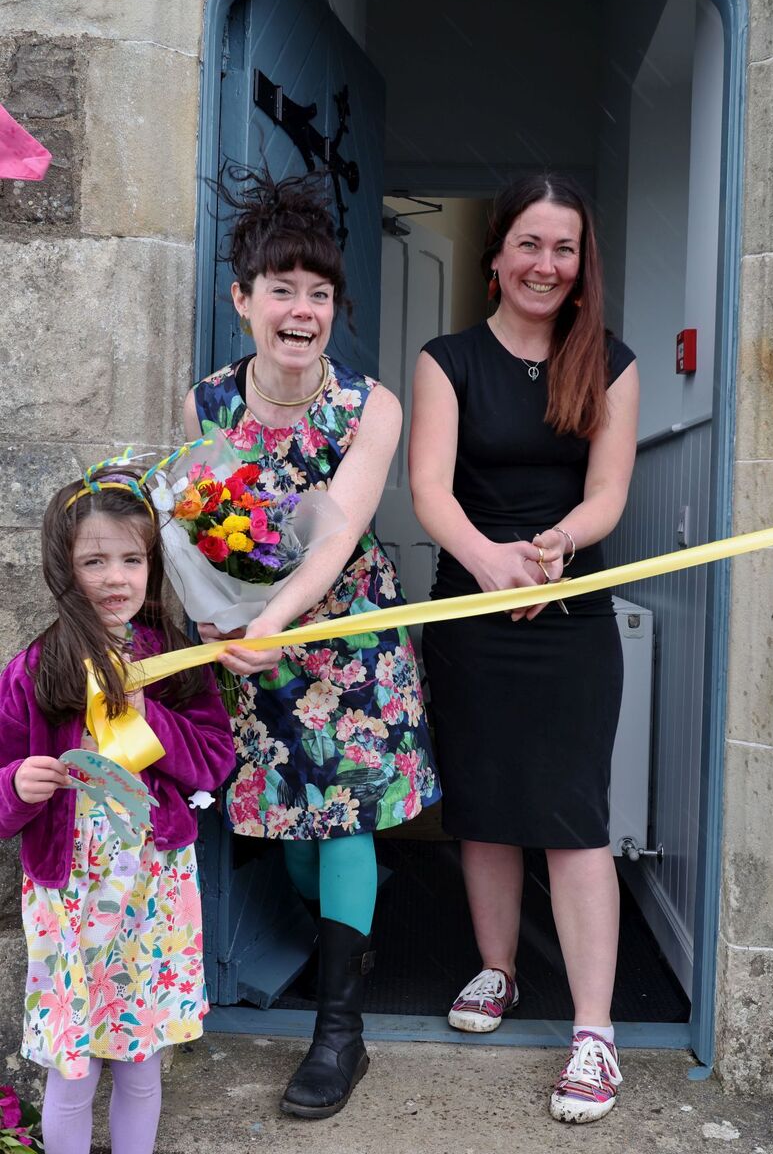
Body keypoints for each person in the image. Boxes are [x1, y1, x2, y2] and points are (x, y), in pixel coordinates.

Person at [184, 170, 440, 1120]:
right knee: (286, 834)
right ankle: (345, 938)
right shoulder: (208, 405)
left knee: (344, 822)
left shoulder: (368, 407)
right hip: (254, 644)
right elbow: (201, 531)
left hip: (346, 643)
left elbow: (336, 537)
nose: (303, 310)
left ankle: (341, 1031)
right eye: (282, 290)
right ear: (243, 301)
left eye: (320, 294)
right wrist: (215, 619)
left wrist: (272, 622)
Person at [409, 173, 639, 1124]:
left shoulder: (611, 362)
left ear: (582, 266)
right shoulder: (444, 358)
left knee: (573, 815)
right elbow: (430, 490)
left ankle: (594, 1033)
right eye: (530, 245)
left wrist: (557, 548)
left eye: (565, 248)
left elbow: (608, 491)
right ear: (495, 256)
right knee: (487, 803)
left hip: (572, 611)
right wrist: (487, 563)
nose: (546, 265)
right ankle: (496, 971)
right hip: (472, 610)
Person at [0, 466, 236, 1154]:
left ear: (152, 566)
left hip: (152, 891)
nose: (115, 577)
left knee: (139, 1061)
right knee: (71, 1071)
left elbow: (215, 759)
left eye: (131, 559)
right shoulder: (35, 670)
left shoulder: (177, 659)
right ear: (64, 569)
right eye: (94, 560)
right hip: (69, 896)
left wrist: (154, 720)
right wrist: (15, 784)